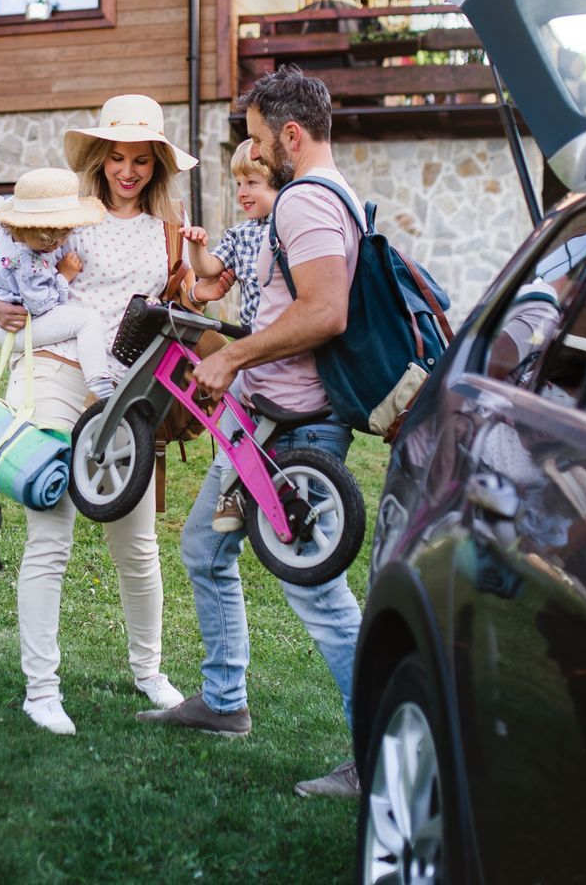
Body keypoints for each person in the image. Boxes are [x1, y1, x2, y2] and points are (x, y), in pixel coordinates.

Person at [135, 66, 366, 799]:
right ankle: (225, 702)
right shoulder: (319, 200)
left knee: (320, 595)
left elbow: (327, 312)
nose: (257, 153)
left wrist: (231, 354)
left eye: (261, 140)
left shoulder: (306, 203)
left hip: (298, 437)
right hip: (259, 424)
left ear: (291, 135)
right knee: (205, 547)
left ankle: (382, 749)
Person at [0, 94, 198, 737]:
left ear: (157, 165)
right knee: (52, 532)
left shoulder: (170, 222)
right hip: (55, 369)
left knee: (138, 544)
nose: (128, 171)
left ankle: (149, 672)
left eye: (142, 161)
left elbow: (180, 296)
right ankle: (41, 690)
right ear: (100, 157)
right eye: (118, 158)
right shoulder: (66, 208)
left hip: (129, 392)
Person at [178, 138, 278, 534]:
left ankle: (238, 487)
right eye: (239, 183)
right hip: (254, 344)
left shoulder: (291, 224)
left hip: (282, 342)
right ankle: (233, 490)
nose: (242, 192)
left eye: (253, 182)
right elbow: (209, 270)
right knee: (231, 413)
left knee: (244, 411)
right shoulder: (240, 235)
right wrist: (196, 248)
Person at [0, 167, 117, 398]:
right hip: (18, 327)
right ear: (22, 226)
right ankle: (100, 383)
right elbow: (43, 306)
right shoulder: (29, 265)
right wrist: (63, 275)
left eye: (63, 237)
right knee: (87, 321)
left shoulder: (2, 227)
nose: (56, 246)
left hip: (1, 318)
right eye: (47, 241)